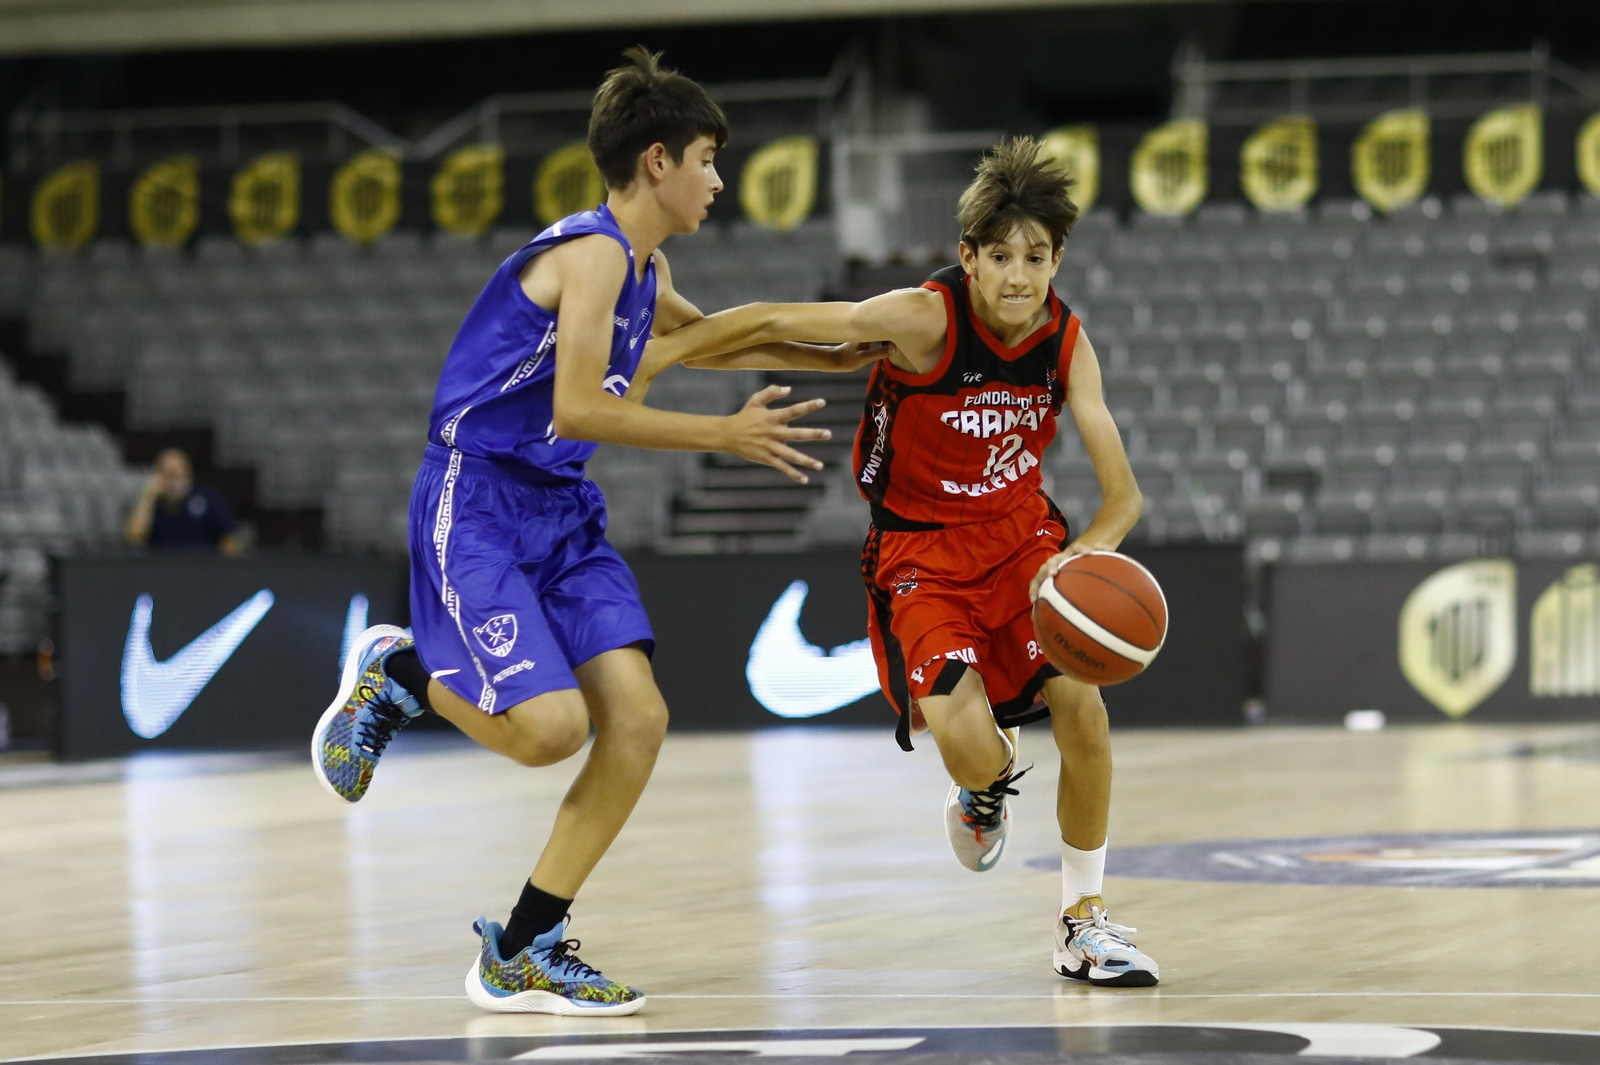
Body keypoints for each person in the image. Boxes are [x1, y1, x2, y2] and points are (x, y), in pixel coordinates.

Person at [310, 48, 862, 1017]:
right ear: (657, 162)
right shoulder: (595, 253)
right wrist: (723, 435)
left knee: (638, 721)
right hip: (476, 501)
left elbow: (713, 339)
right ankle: (399, 676)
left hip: (559, 514)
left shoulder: (645, 265)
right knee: (551, 732)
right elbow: (575, 408)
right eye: (707, 158)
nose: (718, 179)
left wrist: (858, 355)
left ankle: (524, 945)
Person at [635, 138, 1157, 986]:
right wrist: (666, 348)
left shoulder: (1066, 344)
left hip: (1023, 541)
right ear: (968, 258)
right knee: (971, 744)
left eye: (1035, 257)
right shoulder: (925, 319)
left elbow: (1123, 498)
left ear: (1058, 259)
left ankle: (1082, 919)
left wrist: (1076, 565)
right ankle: (984, 791)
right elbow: (781, 324)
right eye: (999, 257)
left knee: (1083, 709)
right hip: (919, 551)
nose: (1018, 276)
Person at [124, 447, 242, 554]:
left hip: (202, 569)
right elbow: (134, 540)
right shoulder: (150, 504)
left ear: (188, 475)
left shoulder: (208, 500)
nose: (172, 482)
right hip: (162, 570)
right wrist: (148, 496)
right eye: (166, 475)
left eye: (176, 474)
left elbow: (230, 539)